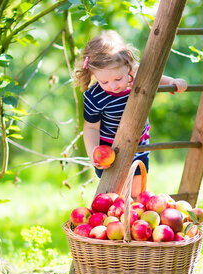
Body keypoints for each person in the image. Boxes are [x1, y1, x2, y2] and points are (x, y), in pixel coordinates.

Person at [74, 31, 187, 197]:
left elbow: (155, 77)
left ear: (128, 66)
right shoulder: (94, 97)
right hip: (110, 149)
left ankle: (133, 217)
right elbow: (91, 128)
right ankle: (116, 219)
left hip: (138, 143)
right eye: (104, 81)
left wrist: (172, 82)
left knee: (136, 191)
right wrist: (93, 154)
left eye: (118, 78)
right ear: (93, 74)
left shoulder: (136, 76)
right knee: (114, 192)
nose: (113, 85)